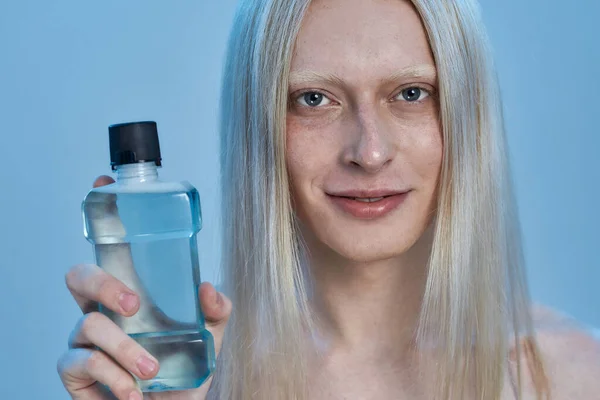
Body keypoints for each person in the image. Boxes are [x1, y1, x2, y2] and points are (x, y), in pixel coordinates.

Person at [57, 0, 600, 399]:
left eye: (411, 94)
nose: (369, 151)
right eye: (314, 99)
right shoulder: (191, 378)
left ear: (465, 114)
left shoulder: (577, 376)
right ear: (260, 126)